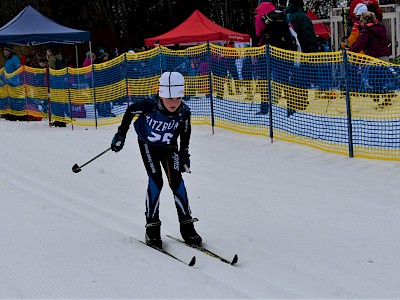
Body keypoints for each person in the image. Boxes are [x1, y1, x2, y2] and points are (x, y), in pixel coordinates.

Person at [110, 71, 202, 248]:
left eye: (177, 98)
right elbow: (130, 111)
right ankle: (152, 226)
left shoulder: (184, 112)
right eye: (169, 99)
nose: (174, 103)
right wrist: (121, 133)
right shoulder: (148, 106)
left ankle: (187, 225)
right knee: (156, 181)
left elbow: (185, 133)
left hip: (169, 147)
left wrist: (185, 154)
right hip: (148, 145)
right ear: (160, 94)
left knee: (177, 182)